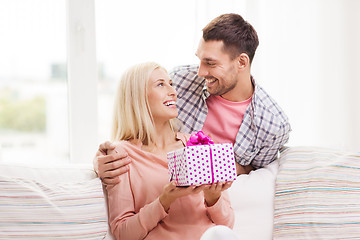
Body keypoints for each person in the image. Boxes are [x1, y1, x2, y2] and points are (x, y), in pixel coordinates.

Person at [94, 13, 291, 185]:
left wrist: (209, 166)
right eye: (200, 59)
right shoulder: (179, 81)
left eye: (210, 63)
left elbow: (258, 179)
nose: (201, 71)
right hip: (162, 190)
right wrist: (104, 161)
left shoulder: (273, 126)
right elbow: (140, 129)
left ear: (241, 62)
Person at [105, 62, 234, 240]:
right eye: (160, 84)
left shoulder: (197, 144)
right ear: (138, 97)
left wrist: (213, 197)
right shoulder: (122, 154)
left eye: (171, 84)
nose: (173, 92)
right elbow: (123, 233)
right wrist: (163, 201)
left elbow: (227, 225)